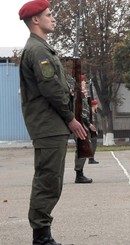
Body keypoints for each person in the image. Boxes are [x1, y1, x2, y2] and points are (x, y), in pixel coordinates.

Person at [19, 0, 87, 244]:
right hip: (48, 125)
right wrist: (70, 119)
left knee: (51, 180)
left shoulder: (42, 48)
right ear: (35, 20)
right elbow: (50, 88)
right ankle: (41, 237)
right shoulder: (37, 50)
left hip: (51, 124)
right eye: (48, 14)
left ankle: (43, 234)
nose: (53, 18)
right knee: (48, 180)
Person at [74, 79, 95, 184]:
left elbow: (86, 114)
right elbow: (80, 114)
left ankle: (80, 172)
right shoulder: (77, 99)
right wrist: (88, 124)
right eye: (83, 87)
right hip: (79, 126)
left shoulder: (83, 99)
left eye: (85, 87)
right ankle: (79, 174)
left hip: (83, 126)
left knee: (85, 148)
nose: (85, 89)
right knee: (82, 148)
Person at [88, 99, 99, 164]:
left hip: (94, 130)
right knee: (92, 145)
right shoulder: (91, 113)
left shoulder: (94, 112)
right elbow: (92, 123)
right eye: (96, 104)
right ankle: (91, 159)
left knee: (94, 145)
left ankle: (91, 158)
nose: (97, 106)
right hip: (91, 131)